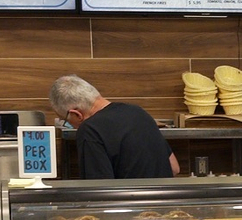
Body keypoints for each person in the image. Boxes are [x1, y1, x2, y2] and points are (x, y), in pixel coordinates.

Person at [48, 74, 180, 180]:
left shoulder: (90, 130)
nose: (70, 125)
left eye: (66, 120)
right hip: (165, 208)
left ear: (76, 114)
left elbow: (98, 190)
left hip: (128, 211)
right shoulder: (138, 112)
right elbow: (174, 168)